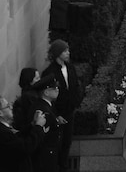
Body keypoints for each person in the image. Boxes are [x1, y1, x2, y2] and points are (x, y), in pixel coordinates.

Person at [41, 39, 80, 172]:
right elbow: (47, 97)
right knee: (58, 142)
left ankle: (64, 166)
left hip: (69, 111)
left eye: (67, 50)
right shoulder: (49, 72)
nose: (68, 53)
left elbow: (75, 85)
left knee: (67, 141)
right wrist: (56, 115)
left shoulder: (70, 67)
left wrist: (75, 102)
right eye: (65, 51)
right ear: (58, 53)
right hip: (57, 114)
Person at [0, 95, 46, 172]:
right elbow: (25, 147)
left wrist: (32, 124)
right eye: (7, 106)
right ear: (0, 113)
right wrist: (38, 127)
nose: (11, 107)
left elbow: (17, 138)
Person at [27, 76, 61, 172]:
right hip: (45, 156)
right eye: (54, 88)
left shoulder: (46, 106)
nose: (57, 90)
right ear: (46, 92)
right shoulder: (42, 110)